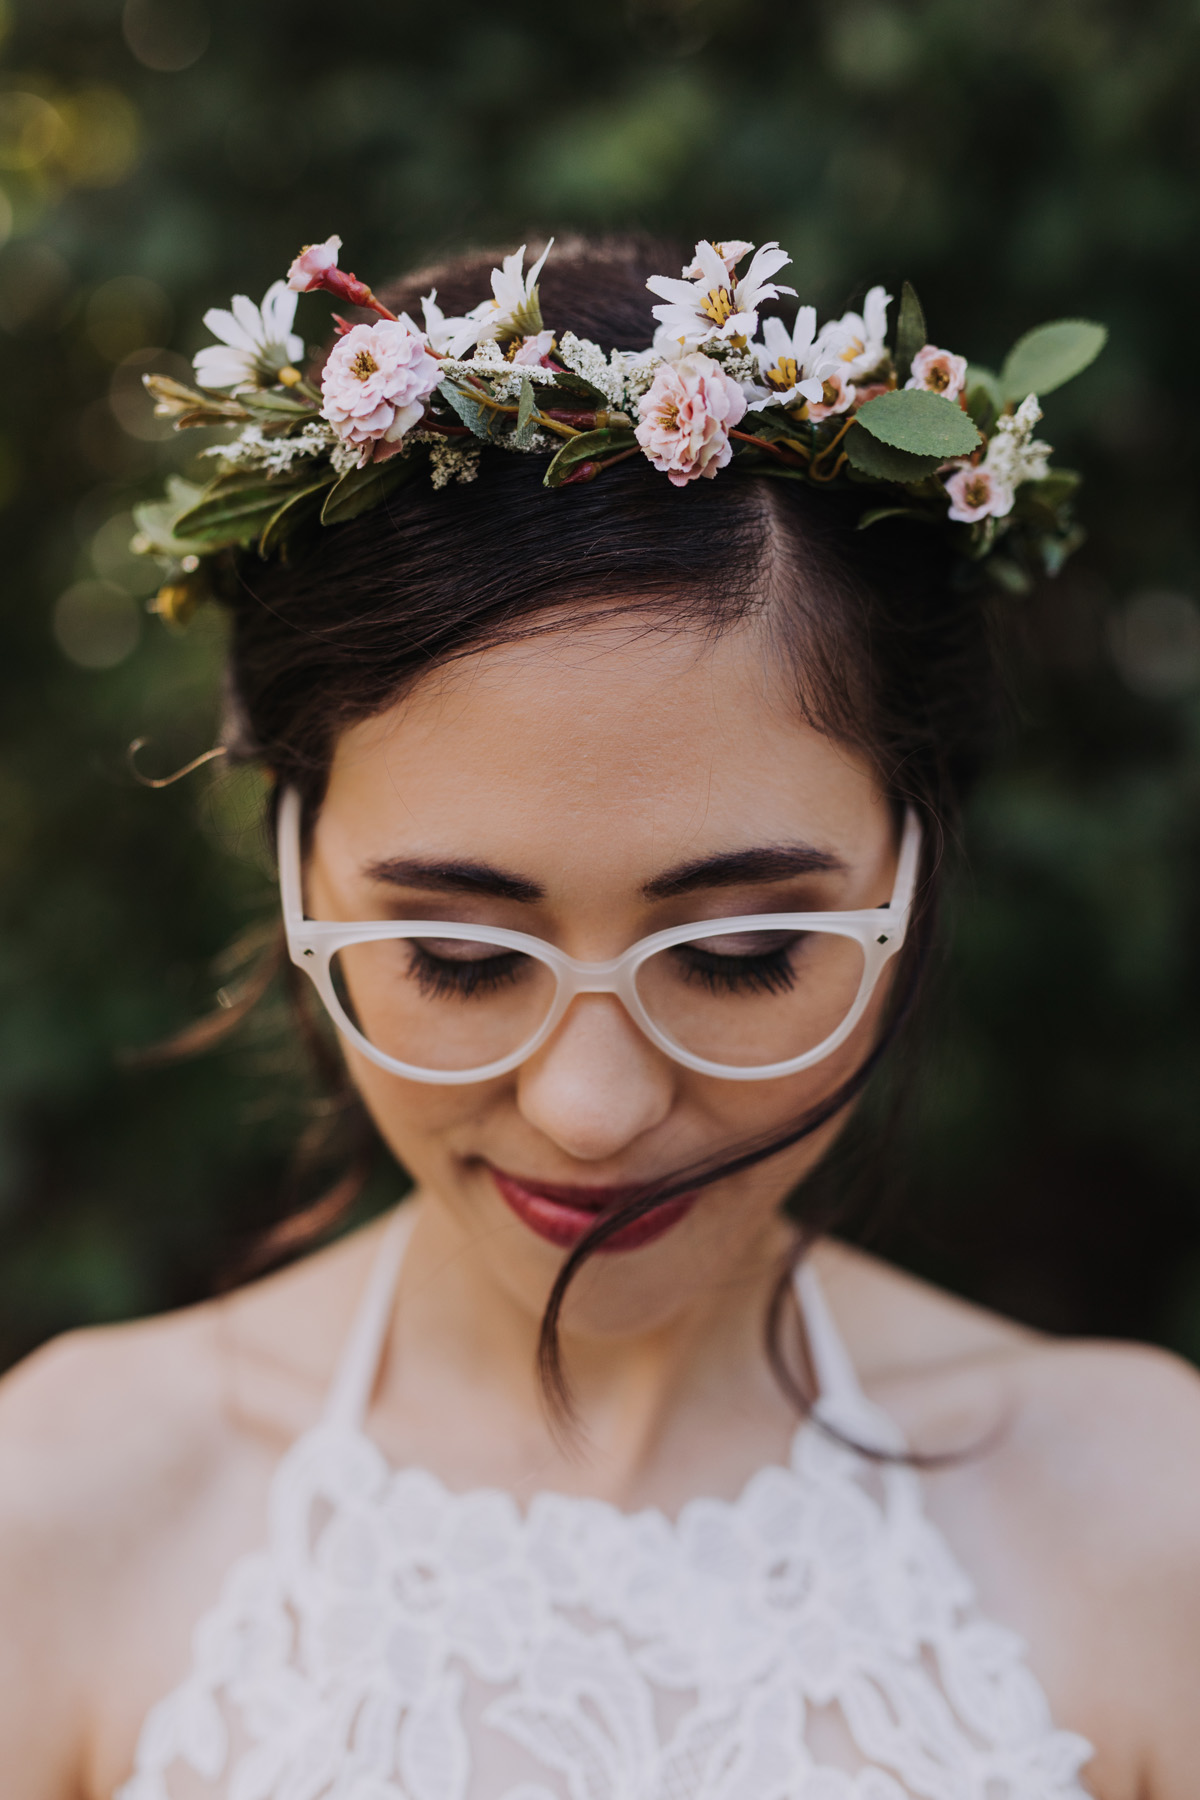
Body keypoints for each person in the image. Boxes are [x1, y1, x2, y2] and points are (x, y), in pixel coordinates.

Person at [1, 234, 1197, 1800]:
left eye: (748, 951)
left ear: (910, 875)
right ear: (302, 875)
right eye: (459, 955)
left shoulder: (1145, 1518)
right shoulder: (66, 1502)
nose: (591, 1108)